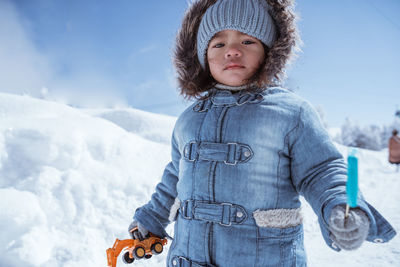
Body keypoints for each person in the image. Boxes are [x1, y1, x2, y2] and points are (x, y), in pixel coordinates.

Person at [128, 0, 396, 266]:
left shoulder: (290, 112)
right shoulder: (188, 120)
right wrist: (151, 218)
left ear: (269, 51)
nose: (232, 51)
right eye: (219, 44)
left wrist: (338, 205)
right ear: (202, 56)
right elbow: (175, 178)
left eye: (247, 41)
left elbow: (321, 170)